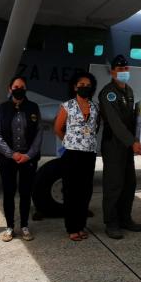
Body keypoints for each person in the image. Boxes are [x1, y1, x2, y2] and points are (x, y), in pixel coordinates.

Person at [0, 76, 42, 242]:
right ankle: (10, 227)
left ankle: (25, 226)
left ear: (26, 89)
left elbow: (39, 133)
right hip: (7, 159)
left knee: (26, 193)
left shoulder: (33, 108)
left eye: (22, 87)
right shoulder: (2, 108)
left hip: (28, 159)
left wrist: (28, 155)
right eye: (16, 87)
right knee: (8, 192)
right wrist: (11, 154)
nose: (19, 89)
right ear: (10, 89)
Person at [99, 54, 141, 239]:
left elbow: (132, 119)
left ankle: (125, 218)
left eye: (126, 69)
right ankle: (111, 223)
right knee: (114, 184)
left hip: (126, 145)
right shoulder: (108, 93)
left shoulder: (129, 90)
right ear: (112, 72)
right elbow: (115, 122)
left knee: (129, 183)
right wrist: (132, 141)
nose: (124, 72)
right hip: (114, 144)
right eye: (120, 69)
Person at [54, 72, 100, 241]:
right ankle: (72, 228)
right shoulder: (67, 106)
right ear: (74, 87)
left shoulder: (95, 107)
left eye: (88, 85)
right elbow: (58, 128)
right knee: (71, 191)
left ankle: (80, 226)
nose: (84, 87)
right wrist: (69, 142)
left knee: (85, 191)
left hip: (89, 154)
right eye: (81, 85)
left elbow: (95, 128)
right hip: (72, 154)